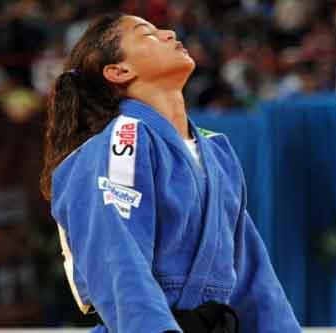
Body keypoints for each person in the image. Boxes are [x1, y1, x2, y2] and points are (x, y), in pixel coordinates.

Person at [40, 12, 301, 333]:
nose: (168, 33)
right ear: (119, 71)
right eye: (146, 34)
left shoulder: (216, 151)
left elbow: (253, 277)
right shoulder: (121, 145)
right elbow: (118, 262)